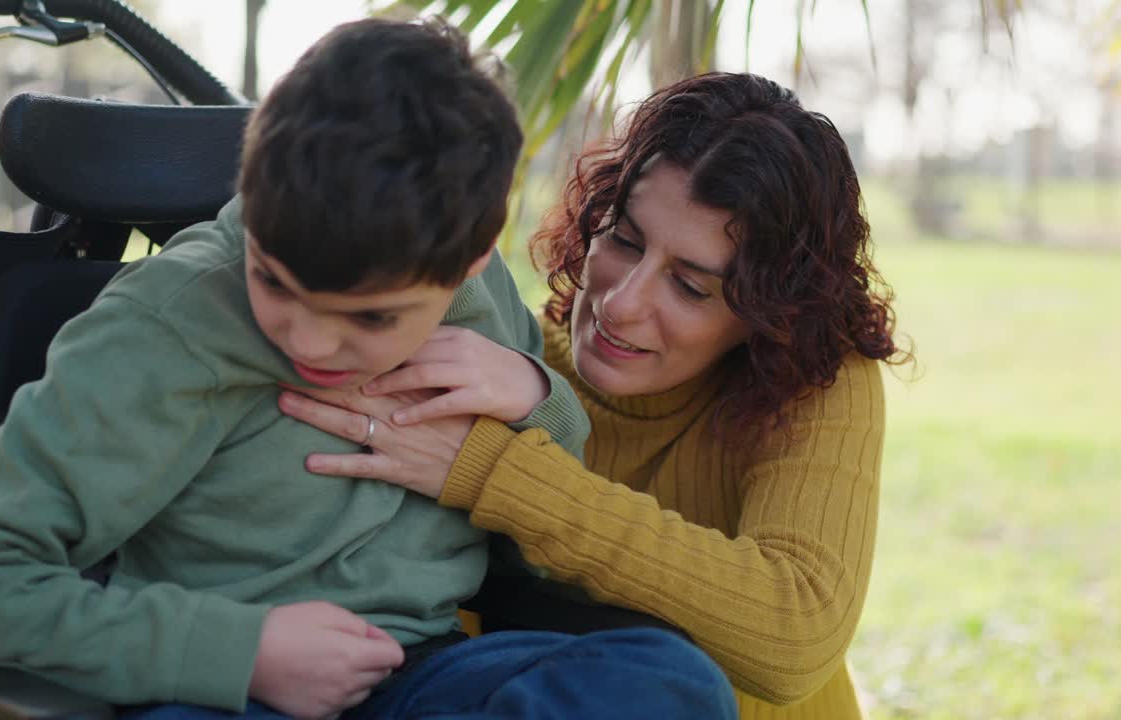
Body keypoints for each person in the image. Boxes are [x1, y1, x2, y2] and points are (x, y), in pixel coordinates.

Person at [0, 19, 737, 720]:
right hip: (224, 689)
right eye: (272, 279)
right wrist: (239, 652)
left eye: (371, 317)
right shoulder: (166, 326)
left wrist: (536, 400)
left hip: (425, 674)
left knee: (671, 683)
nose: (308, 341)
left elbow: (540, 564)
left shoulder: (479, 297)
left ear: (473, 259)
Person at [278, 71, 909, 719]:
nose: (621, 303)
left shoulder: (811, 380)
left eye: (690, 287)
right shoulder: (506, 364)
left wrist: (491, 473)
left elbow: (795, 635)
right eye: (624, 240)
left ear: (768, 316)